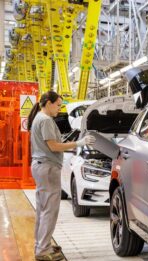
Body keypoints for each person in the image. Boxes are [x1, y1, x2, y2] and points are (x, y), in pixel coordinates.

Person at [27, 91, 95, 261]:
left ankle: (42, 244)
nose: (59, 108)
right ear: (48, 103)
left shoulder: (39, 119)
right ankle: (43, 250)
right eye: (58, 104)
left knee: (43, 209)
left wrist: (68, 144)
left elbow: (52, 144)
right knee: (50, 210)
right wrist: (78, 143)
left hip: (41, 167)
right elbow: (54, 147)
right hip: (48, 168)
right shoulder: (46, 120)